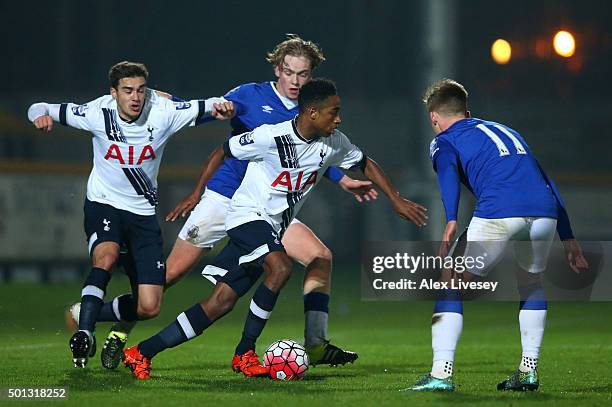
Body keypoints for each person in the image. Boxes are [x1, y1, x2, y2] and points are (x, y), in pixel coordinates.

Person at [93, 35, 377, 370]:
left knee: (319, 257)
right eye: (289, 72)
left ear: (311, 75)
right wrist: (168, 101)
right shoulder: (250, 95)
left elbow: (309, 158)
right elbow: (208, 111)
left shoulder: (311, 110)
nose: (295, 80)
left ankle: (314, 345)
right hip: (225, 197)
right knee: (169, 275)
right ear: (277, 69)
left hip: (268, 207)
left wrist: (342, 179)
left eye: (302, 74)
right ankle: (117, 330)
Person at [122, 78, 428, 379]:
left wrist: (396, 199)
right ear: (312, 112)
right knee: (280, 267)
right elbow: (222, 152)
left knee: (221, 302)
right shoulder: (270, 137)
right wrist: (195, 193)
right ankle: (245, 352)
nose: (339, 118)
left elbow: (365, 162)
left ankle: (142, 352)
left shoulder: (334, 143)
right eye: (333, 111)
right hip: (245, 216)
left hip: (272, 228)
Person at [27, 61, 233, 368]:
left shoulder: (163, 112)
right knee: (106, 258)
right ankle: (85, 333)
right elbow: (38, 106)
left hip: (143, 216)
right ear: (114, 93)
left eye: (140, 90)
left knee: (149, 306)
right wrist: (38, 117)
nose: (135, 97)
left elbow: (210, 107)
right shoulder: (97, 113)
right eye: (127, 91)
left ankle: (84, 312)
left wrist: (223, 108)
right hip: (104, 205)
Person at [405, 79, 588, 392]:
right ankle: (528, 371)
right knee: (530, 282)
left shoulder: (444, 139)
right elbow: (545, 180)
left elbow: (448, 169)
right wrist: (568, 235)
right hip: (544, 214)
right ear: (467, 111)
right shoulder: (507, 131)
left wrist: (450, 219)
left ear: (434, 117)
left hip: (500, 210)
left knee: (450, 279)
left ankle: (441, 375)